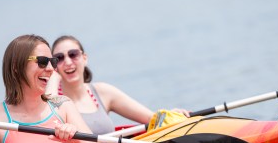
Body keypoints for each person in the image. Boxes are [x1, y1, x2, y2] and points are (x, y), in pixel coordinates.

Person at [46, 35, 190, 135]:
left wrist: (172, 115)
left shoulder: (102, 92)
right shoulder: (56, 100)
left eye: (73, 54)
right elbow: (47, 117)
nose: (68, 62)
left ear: (84, 58)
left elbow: (152, 119)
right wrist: (52, 78)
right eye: (59, 58)